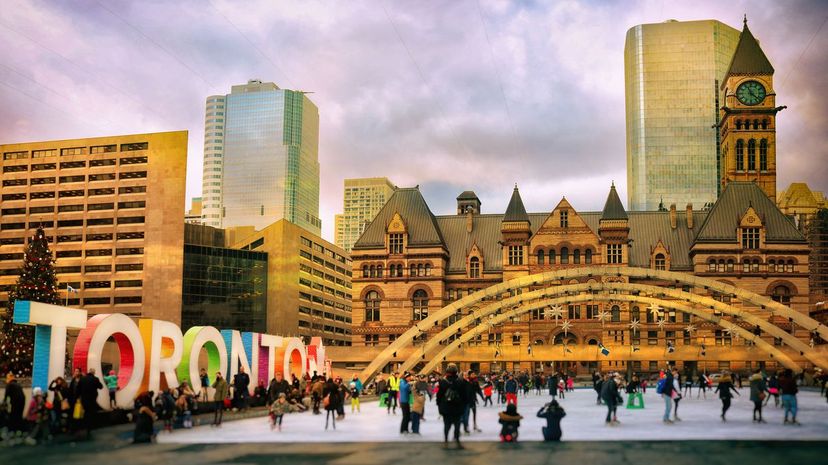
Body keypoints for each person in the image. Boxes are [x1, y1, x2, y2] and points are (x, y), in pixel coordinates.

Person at [437, 363, 467, 449]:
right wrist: (463, 406)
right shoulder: (460, 382)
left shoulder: (443, 382)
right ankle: (457, 441)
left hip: (446, 408)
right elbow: (464, 396)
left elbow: (439, 396)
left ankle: (446, 441)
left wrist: (440, 407)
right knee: (457, 425)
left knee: (447, 425)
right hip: (457, 408)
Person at [77, 368, 103, 438]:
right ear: (94, 373)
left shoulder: (82, 379)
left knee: (85, 412)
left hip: (84, 399)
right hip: (92, 399)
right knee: (91, 413)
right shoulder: (95, 379)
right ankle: (90, 428)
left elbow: (78, 389)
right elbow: (101, 387)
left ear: (88, 372)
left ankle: (84, 426)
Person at [3, 373, 26, 437]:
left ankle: (13, 431)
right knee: (19, 416)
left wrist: (3, 403)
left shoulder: (9, 385)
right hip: (22, 402)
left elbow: (6, 395)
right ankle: (20, 431)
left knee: (13, 416)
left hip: (15, 402)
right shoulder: (18, 385)